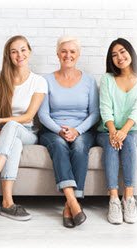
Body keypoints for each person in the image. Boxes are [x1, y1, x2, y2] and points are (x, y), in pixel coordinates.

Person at [0, 35, 47, 221]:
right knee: (13, 143)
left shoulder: (38, 81)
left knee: (13, 126)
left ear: (29, 51)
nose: (19, 55)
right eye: (14, 51)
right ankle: (7, 203)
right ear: (8, 55)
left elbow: (29, 116)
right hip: (0, 135)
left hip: (27, 132)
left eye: (23, 50)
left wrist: (0, 121)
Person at [38, 36, 99, 228]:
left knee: (80, 147)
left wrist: (77, 130)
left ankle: (67, 206)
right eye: (64, 51)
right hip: (52, 131)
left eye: (72, 51)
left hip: (82, 130)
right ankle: (73, 202)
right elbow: (43, 114)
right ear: (57, 54)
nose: (68, 55)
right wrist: (60, 130)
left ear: (78, 55)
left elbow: (95, 113)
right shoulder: (45, 80)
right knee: (59, 144)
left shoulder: (89, 81)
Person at [96, 38, 137, 225]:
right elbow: (105, 108)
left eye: (122, 52)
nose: (119, 57)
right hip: (107, 130)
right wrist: (114, 132)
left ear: (130, 52)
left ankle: (128, 197)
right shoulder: (107, 79)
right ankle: (114, 198)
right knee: (111, 143)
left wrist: (124, 131)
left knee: (129, 140)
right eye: (114, 55)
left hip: (132, 130)